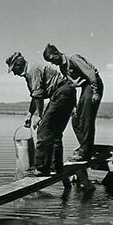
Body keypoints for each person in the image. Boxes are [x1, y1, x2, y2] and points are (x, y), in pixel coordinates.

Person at [5, 52, 76, 184]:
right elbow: (36, 95)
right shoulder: (31, 70)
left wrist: (38, 116)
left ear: (18, 64)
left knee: (43, 131)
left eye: (14, 69)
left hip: (61, 93)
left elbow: (38, 95)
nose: (14, 73)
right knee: (55, 133)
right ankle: (56, 166)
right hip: (67, 92)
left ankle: (41, 169)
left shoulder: (32, 70)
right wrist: (30, 114)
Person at [43, 44, 104, 161]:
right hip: (84, 88)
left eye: (52, 59)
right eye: (50, 61)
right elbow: (72, 86)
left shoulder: (73, 59)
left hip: (93, 84)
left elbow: (91, 73)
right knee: (76, 120)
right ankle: (86, 148)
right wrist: (74, 106)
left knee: (86, 119)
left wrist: (96, 92)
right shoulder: (62, 68)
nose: (52, 63)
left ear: (56, 53)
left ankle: (85, 153)